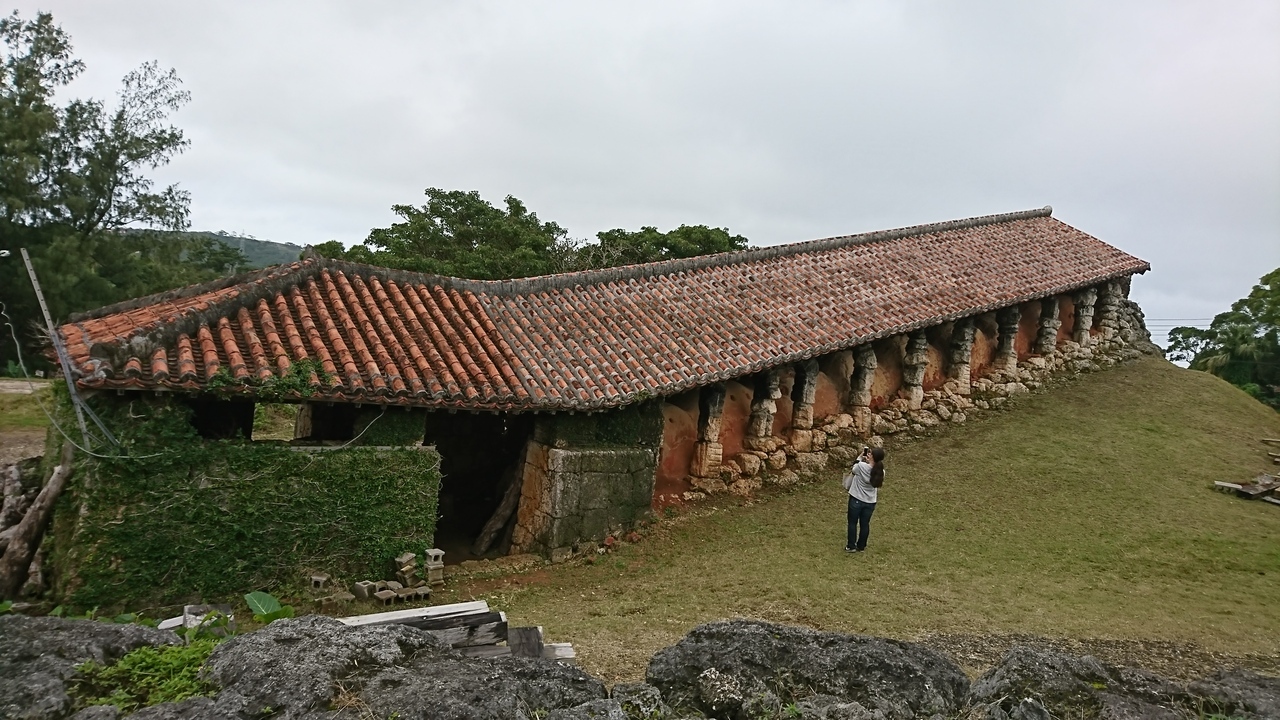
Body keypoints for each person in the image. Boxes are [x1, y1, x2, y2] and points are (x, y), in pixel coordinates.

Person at [843, 446, 885, 552]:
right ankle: (861, 546)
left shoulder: (862, 466)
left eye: (870, 454)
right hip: (870, 502)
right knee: (865, 524)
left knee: (852, 523)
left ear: (873, 457)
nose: (868, 454)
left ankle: (851, 546)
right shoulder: (881, 472)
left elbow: (854, 469)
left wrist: (860, 457)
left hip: (856, 499)